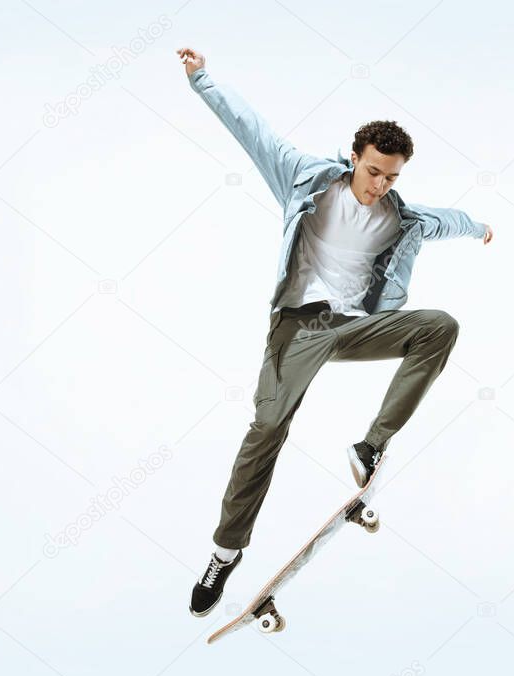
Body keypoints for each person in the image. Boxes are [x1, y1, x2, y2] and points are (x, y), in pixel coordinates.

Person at [176, 47, 494, 617]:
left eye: (391, 177)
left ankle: (371, 445)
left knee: (438, 327)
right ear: (354, 158)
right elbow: (253, 132)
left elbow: (448, 219)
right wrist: (203, 80)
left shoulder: (403, 217)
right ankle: (226, 551)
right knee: (268, 426)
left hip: (357, 326)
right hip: (301, 324)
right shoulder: (304, 179)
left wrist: (481, 228)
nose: (379, 185)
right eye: (373, 171)